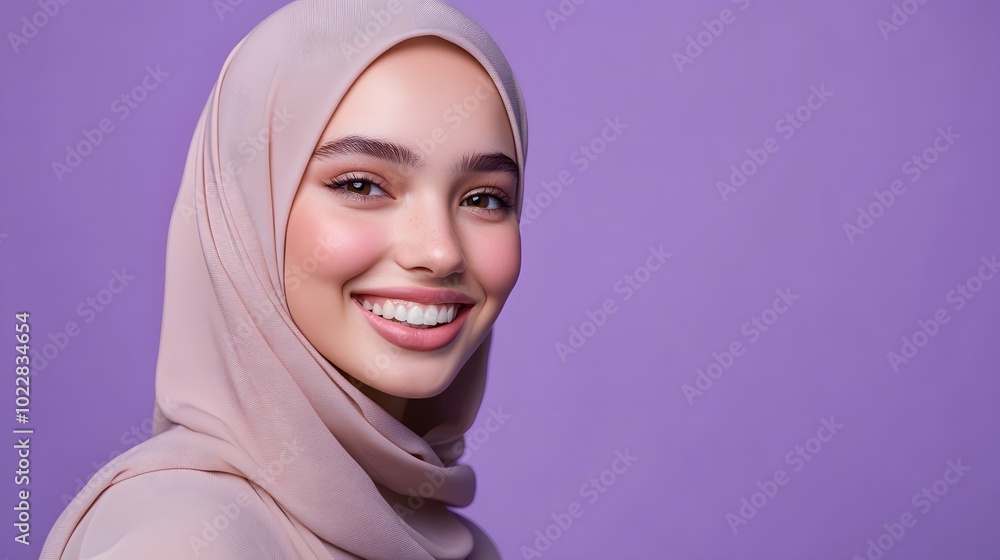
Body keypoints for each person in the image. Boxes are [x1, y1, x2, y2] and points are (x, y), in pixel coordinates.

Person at [39, 0, 528, 558]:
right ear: (247, 209)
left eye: (484, 198)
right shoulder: (189, 539)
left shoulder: (446, 536)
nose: (440, 252)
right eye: (363, 186)